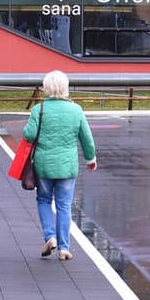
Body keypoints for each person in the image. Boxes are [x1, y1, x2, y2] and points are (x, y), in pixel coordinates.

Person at [23, 69, 97, 262]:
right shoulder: (76, 110)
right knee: (64, 205)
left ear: (46, 88)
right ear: (65, 88)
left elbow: (29, 134)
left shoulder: (39, 110)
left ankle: (50, 237)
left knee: (44, 200)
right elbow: (86, 138)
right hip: (67, 166)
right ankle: (64, 248)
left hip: (44, 165)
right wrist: (91, 159)